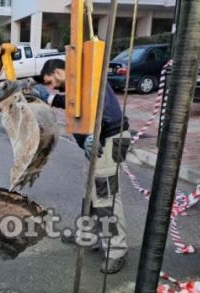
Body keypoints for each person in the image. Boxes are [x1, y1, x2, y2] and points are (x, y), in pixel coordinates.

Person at [33, 59, 131, 274]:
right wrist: (49, 98)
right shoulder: (77, 83)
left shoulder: (88, 78)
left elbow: (103, 108)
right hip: (98, 142)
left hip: (107, 140)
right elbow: (73, 101)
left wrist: (94, 133)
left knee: (106, 195)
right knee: (92, 192)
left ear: (59, 71)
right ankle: (89, 237)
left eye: (52, 82)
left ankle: (116, 250)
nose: (52, 86)